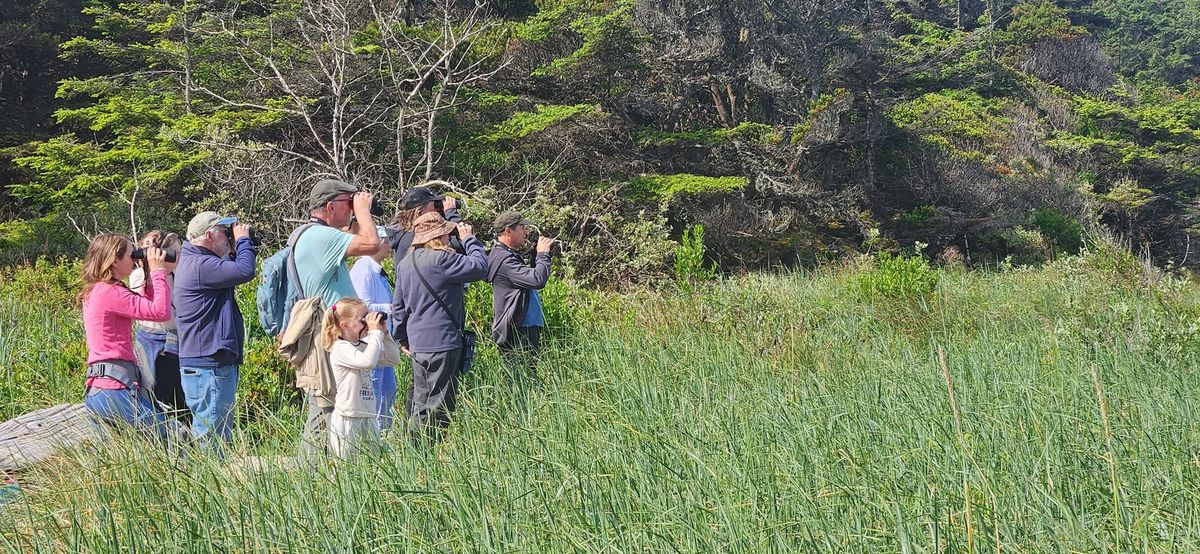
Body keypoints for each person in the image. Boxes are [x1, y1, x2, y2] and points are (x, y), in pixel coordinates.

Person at [292, 179, 380, 457]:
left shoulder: (315, 235)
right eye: (347, 202)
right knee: (326, 404)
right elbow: (371, 243)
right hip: (328, 337)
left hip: (328, 334)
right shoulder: (320, 237)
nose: (352, 208)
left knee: (329, 404)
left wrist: (355, 211)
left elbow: (352, 234)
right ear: (330, 206)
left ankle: (323, 470)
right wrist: (363, 210)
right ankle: (314, 474)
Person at [392, 212, 488, 442]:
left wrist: (402, 337)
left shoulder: (405, 263)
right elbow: (480, 266)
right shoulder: (443, 259)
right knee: (440, 405)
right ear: (440, 235)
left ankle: (413, 450)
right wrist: (469, 239)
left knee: (419, 400)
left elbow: (398, 307)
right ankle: (429, 453)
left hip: (418, 343)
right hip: (443, 341)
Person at [173, 212, 257, 456]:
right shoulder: (201, 265)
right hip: (209, 365)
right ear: (209, 235)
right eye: (224, 232)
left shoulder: (195, 261)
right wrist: (242, 241)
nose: (228, 236)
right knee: (212, 441)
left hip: (206, 363)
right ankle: (209, 489)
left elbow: (237, 267)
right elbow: (244, 271)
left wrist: (237, 245)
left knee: (212, 434)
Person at [80, 233, 175, 438]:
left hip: (99, 390)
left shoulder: (98, 290)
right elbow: (161, 313)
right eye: (132, 255)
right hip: (116, 389)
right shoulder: (110, 292)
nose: (135, 260)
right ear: (115, 260)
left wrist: (149, 277)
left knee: (112, 460)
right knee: (171, 441)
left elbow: (147, 308)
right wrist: (159, 272)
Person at [323, 298, 400, 458]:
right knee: (347, 468)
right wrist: (375, 333)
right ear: (345, 325)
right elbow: (367, 362)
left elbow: (393, 359)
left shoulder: (363, 346)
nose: (368, 323)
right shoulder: (340, 348)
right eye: (362, 319)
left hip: (368, 415)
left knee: (370, 465)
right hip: (348, 418)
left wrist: (384, 334)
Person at [129, 230, 188, 422]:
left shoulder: (178, 274)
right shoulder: (139, 276)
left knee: (181, 396)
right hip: (154, 343)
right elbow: (147, 305)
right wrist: (156, 269)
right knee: (157, 392)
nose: (179, 257)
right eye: (174, 253)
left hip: (177, 341)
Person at [487, 211, 553, 367]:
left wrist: (535, 257)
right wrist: (543, 255)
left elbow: (527, 280)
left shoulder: (507, 255)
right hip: (518, 330)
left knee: (525, 379)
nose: (526, 232)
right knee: (522, 381)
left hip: (523, 326)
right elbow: (537, 279)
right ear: (508, 231)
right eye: (522, 228)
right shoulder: (504, 260)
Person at [349, 227, 399, 433]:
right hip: (369, 339)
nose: (389, 246)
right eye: (385, 241)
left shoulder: (379, 271)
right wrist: (392, 308)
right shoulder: (363, 268)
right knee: (374, 388)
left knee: (388, 389)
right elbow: (362, 305)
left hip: (383, 338)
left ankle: (383, 434)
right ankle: (373, 436)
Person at [389, 186, 463, 261]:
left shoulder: (402, 232)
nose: (437, 209)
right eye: (435, 205)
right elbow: (464, 242)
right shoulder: (419, 236)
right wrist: (451, 213)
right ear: (420, 209)